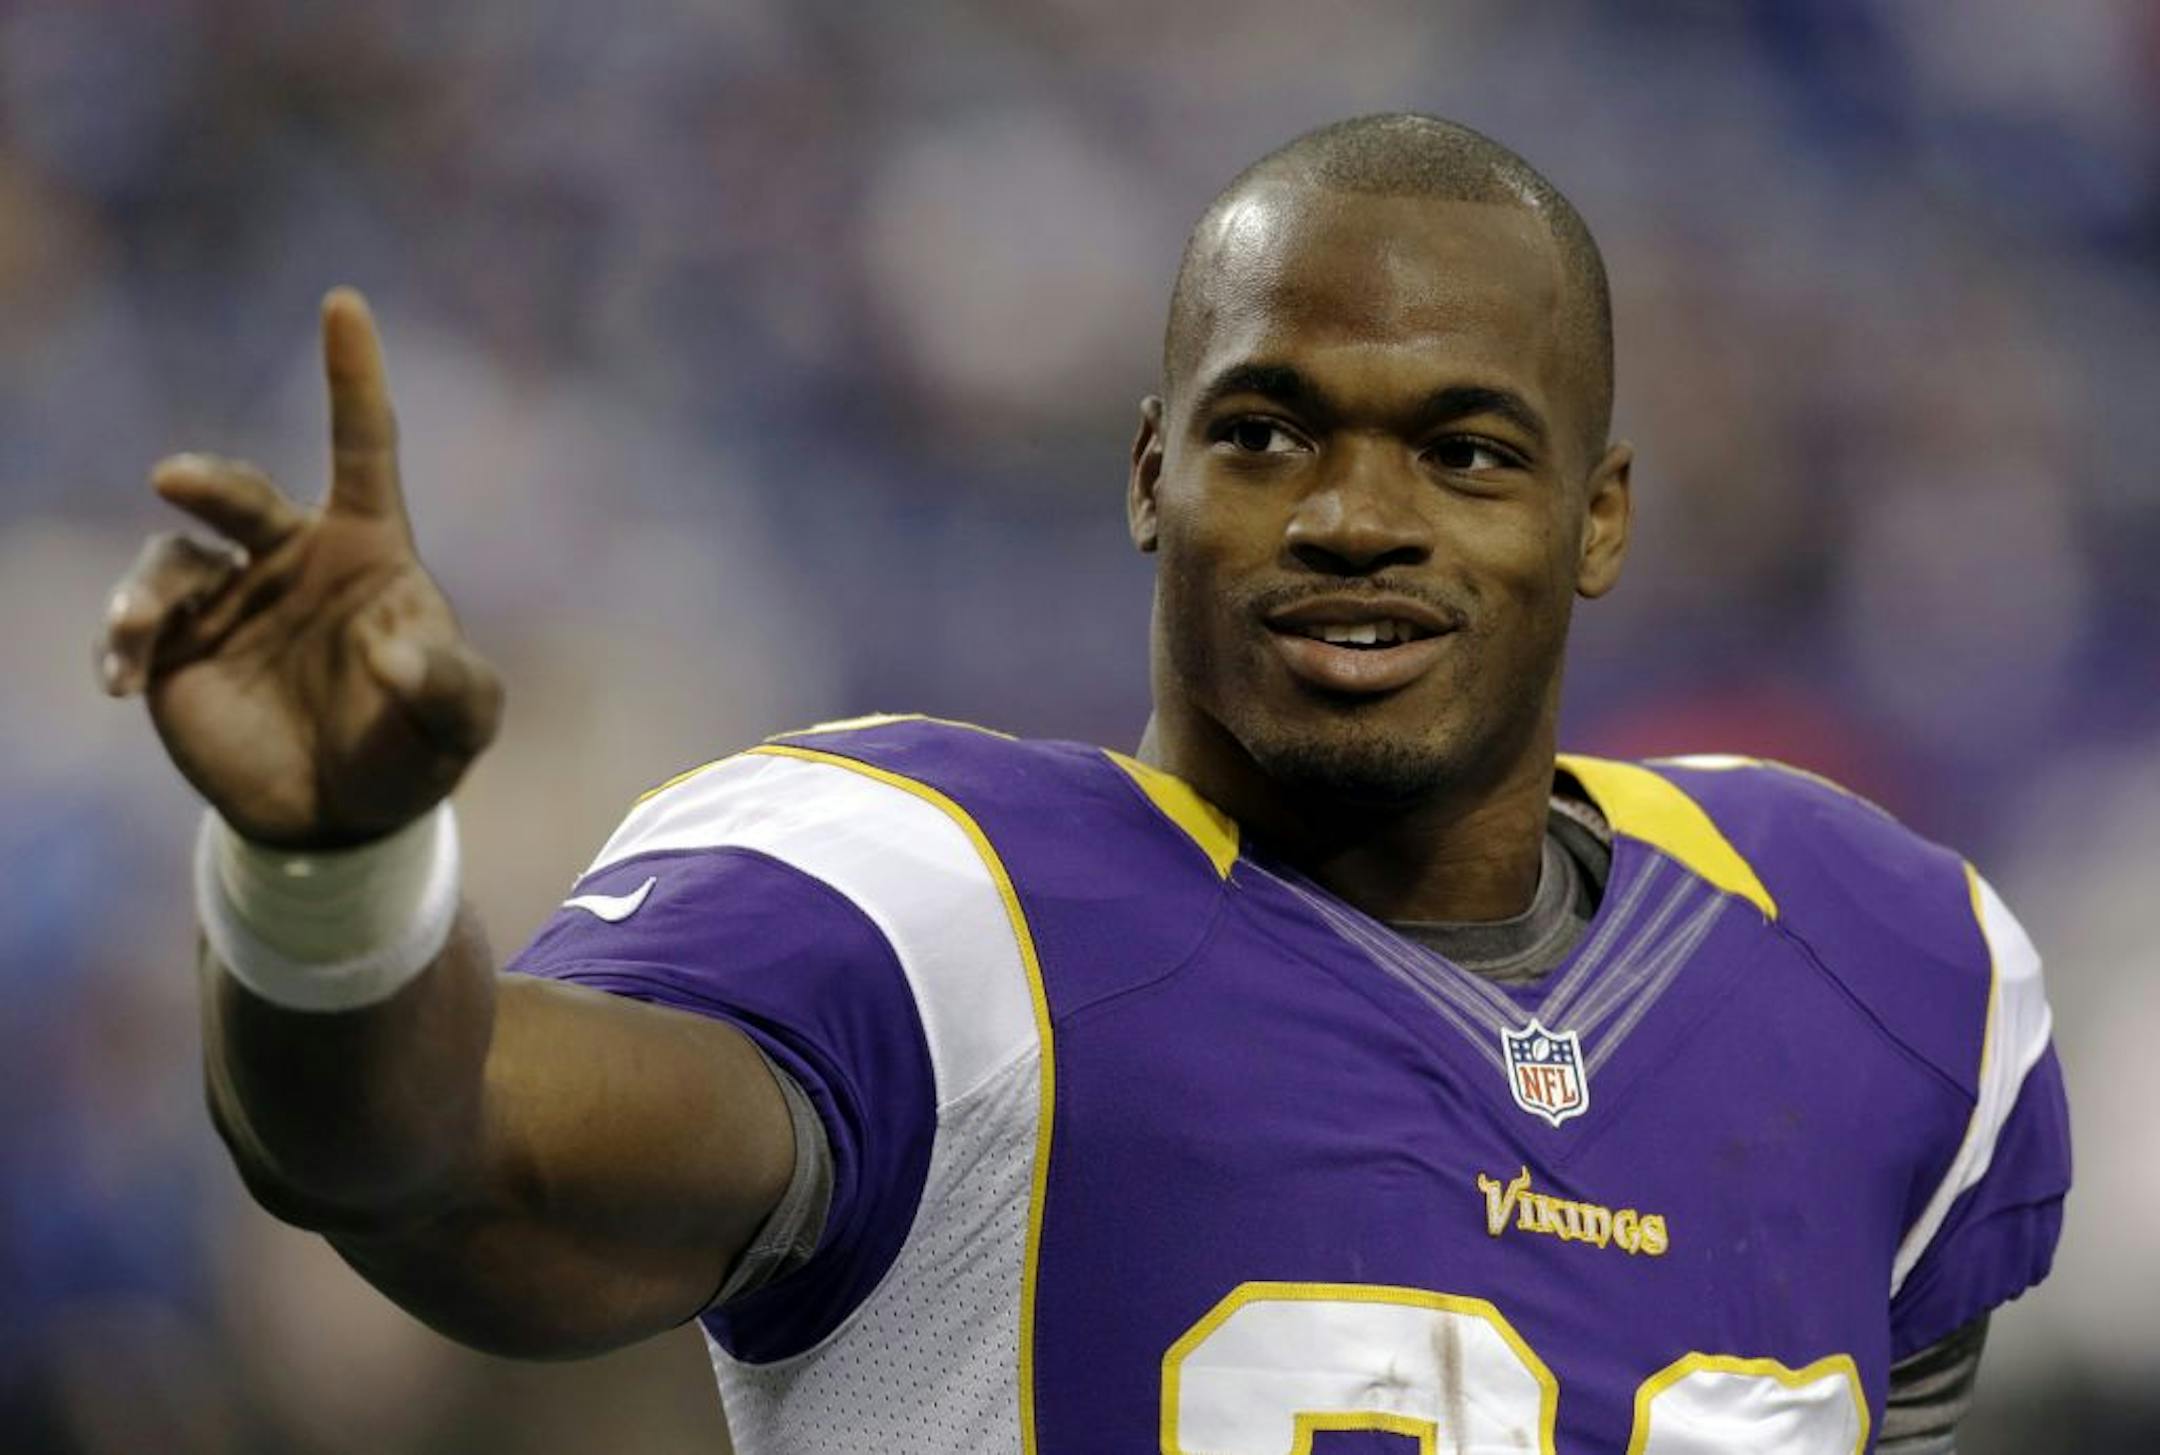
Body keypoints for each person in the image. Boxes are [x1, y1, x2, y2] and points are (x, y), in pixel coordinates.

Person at [98, 114, 2068, 1453]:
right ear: (1149, 472)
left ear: (1600, 515)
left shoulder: (1882, 966)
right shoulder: (935, 909)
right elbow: (438, 1160)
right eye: (1268, 430)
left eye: (1466, 452)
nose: (1356, 515)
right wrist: (329, 870)